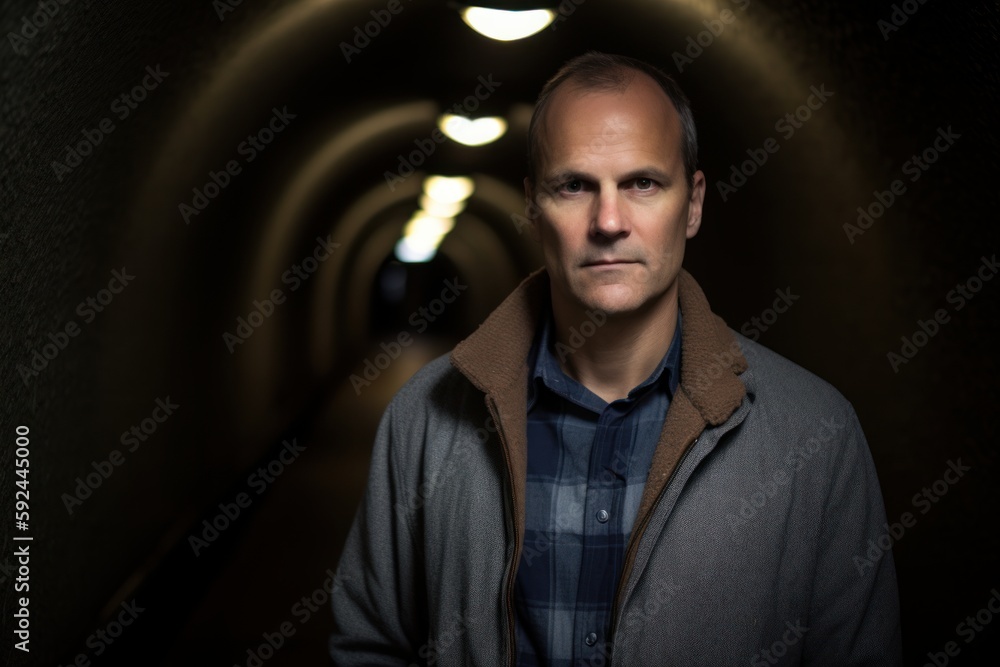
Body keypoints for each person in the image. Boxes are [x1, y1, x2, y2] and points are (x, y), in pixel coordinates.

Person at [329, 51, 901, 666]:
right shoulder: (424, 418)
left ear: (695, 203)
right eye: (573, 185)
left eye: (642, 183)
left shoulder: (814, 435)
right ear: (531, 208)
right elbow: (372, 644)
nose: (608, 221)